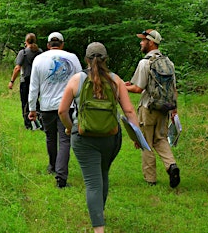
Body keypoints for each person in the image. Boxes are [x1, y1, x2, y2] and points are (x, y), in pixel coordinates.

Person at [58, 42, 140, 233]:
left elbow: (62, 111)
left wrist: (71, 129)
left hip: (83, 137)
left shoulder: (76, 80)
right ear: (106, 59)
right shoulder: (116, 80)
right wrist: (136, 136)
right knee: (102, 175)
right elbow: (128, 110)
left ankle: (98, 228)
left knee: (92, 182)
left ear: (86, 59)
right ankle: (99, 212)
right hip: (110, 137)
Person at [125, 29, 181, 188]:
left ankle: (150, 179)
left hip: (148, 108)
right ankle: (171, 166)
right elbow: (173, 88)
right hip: (164, 108)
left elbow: (137, 88)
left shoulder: (145, 62)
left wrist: (123, 86)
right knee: (161, 138)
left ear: (151, 42)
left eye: (143, 40)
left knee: (147, 142)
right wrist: (174, 110)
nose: (141, 43)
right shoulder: (168, 62)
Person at [28, 32, 82, 187]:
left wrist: (32, 108)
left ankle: (52, 165)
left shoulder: (39, 59)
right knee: (65, 140)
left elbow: (33, 86)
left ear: (47, 45)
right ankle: (61, 176)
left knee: (50, 137)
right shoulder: (72, 58)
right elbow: (80, 82)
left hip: (46, 106)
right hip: (68, 107)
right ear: (62, 44)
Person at [9, 33, 43, 130]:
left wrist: (12, 81)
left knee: (25, 102)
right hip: (38, 81)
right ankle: (41, 122)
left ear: (26, 41)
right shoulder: (40, 52)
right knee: (36, 101)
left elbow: (17, 68)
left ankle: (28, 125)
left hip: (25, 81)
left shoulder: (23, 52)